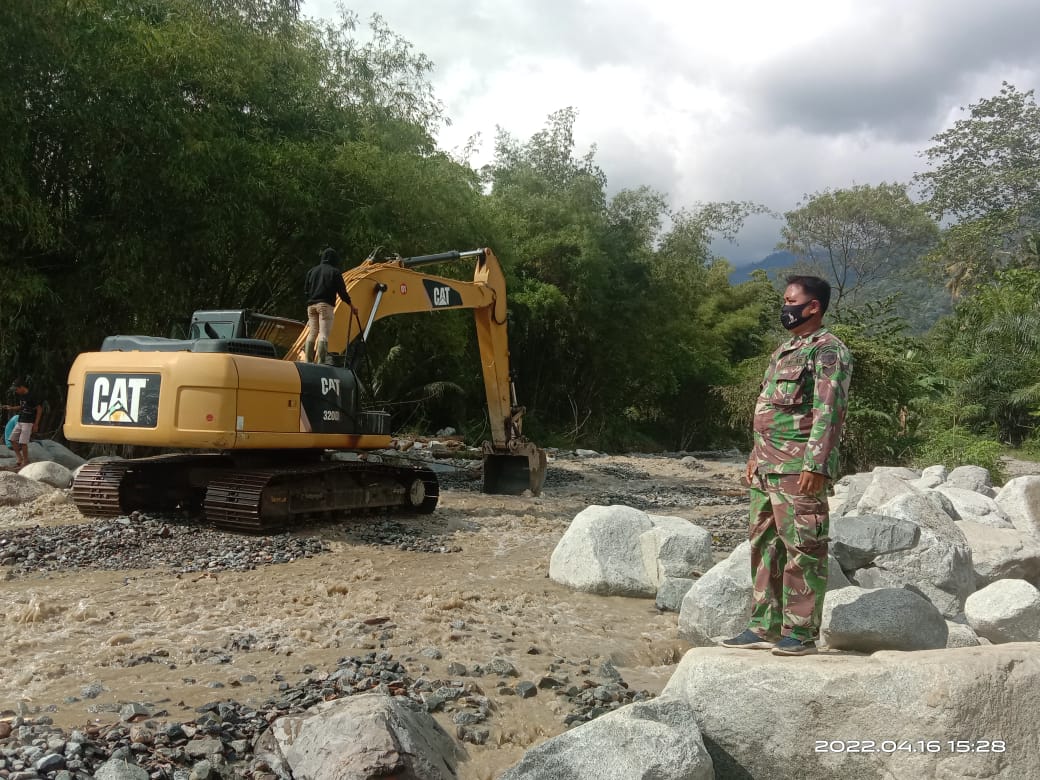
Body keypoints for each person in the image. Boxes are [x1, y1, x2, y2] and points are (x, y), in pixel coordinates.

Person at [721, 275, 853, 656]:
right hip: (767, 466)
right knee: (763, 543)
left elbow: (830, 412)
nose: (786, 307)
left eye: (791, 300)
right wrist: (754, 455)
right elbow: (769, 407)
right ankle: (763, 625)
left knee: (804, 546)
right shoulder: (785, 350)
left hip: (799, 467)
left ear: (813, 306)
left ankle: (801, 632)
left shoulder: (828, 351)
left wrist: (817, 463)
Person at [303, 246, 355, 364]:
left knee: (312, 332)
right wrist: (351, 305)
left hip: (311, 306)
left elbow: (306, 290)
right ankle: (321, 362)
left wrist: (311, 300)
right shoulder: (335, 272)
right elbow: (342, 292)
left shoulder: (312, 271)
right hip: (325, 306)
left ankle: (308, 361)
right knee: (323, 334)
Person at [3, 378, 43, 468]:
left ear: (21, 387)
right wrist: (12, 408)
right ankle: (19, 458)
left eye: (16, 389)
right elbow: (22, 406)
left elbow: (39, 409)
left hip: (28, 422)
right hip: (21, 420)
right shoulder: (22, 396)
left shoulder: (32, 396)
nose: (16, 391)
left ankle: (25, 461)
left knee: (23, 442)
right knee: (12, 439)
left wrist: (36, 424)